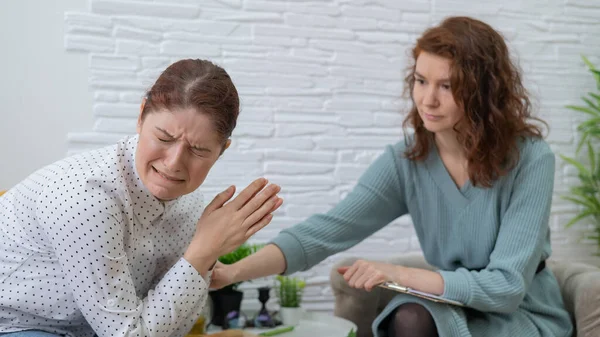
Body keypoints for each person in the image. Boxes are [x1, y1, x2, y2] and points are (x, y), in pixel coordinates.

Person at [210, 16, 573, 337]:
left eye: (447, 86)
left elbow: (506, 288)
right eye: (421, 80)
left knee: (415, 313)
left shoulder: (530, 159)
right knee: (410, 316)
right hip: (449, 307)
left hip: (519, 314)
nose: (427, 100)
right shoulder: (407, 161)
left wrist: (397, 274)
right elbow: (323, 234)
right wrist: (233, 272)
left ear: (483, 92)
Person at [0, 59, 283, 337]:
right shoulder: (86, 198)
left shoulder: (191, 204)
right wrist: (202, 252)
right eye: (164, 138)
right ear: (141, 117)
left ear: (222, 150)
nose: (174, 163)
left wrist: (203, 258)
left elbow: (174, 328)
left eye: (198, 150)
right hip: (16, 324)